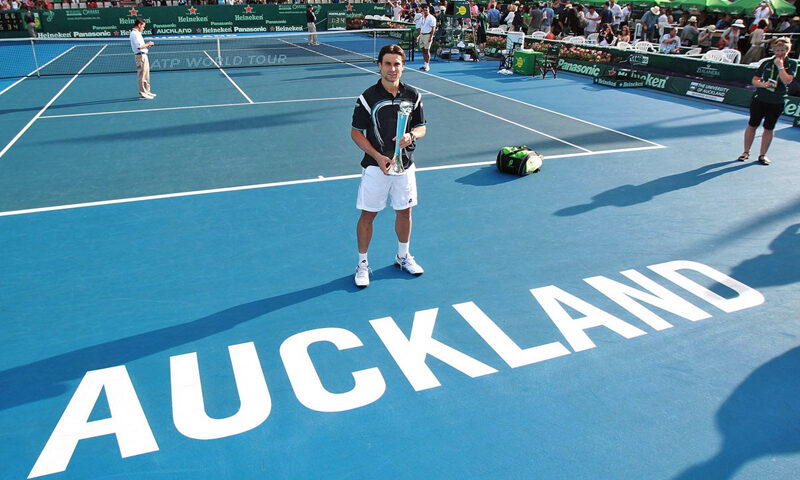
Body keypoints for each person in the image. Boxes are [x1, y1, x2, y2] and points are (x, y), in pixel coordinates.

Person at [350, 44, 427, 288]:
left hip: (404, 166)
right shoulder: (367, 98)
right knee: (368, 215)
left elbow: (421, 126)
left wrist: (411, 137)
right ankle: (362, 264)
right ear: (379, 66)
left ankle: (403, 256)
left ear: (403, 66)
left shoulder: (413, 95)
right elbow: (356, 133)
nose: (392, 69)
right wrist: (377, 156)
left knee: (405, 212)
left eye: (397, 64)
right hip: (376, 168)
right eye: (388, 64)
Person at [739, 37, 796, 166]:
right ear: (773, 50)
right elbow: (754, 80)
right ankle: (745, 152)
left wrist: (780, 67)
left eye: (782, 50)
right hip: (760, 99)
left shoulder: (792, 64)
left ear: (787, 50)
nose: (780, 53)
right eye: (777, 50)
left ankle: (762, 155)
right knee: (752, 125)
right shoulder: (766, 63)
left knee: (769, 128)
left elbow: (787, 80)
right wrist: (763, 85)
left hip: (776, 101)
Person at [129, 17, 155, 100]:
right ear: (139, 25)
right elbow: (139, 47)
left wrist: (147, 46)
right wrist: (149, 44)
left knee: (146, 75)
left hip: (144, 55)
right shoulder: (134, 34)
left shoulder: (138, 33)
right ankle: (143, 94)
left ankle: (147, 91)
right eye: (143, 26)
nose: (143, 28)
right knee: (142, 76)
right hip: (140, 56)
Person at [416, 4, 435, 71]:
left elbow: (433, 29)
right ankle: (425, 64)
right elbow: (420, 28)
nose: (425, 11)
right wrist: (418, 36)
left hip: (428, 35)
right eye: (424, 10)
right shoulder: (422, 18)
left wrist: (430, 37)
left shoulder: (432, 18)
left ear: (428, 10)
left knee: (427, 51)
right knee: (423, 50)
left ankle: (427, 66)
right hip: (422, 35)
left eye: (426, 10)